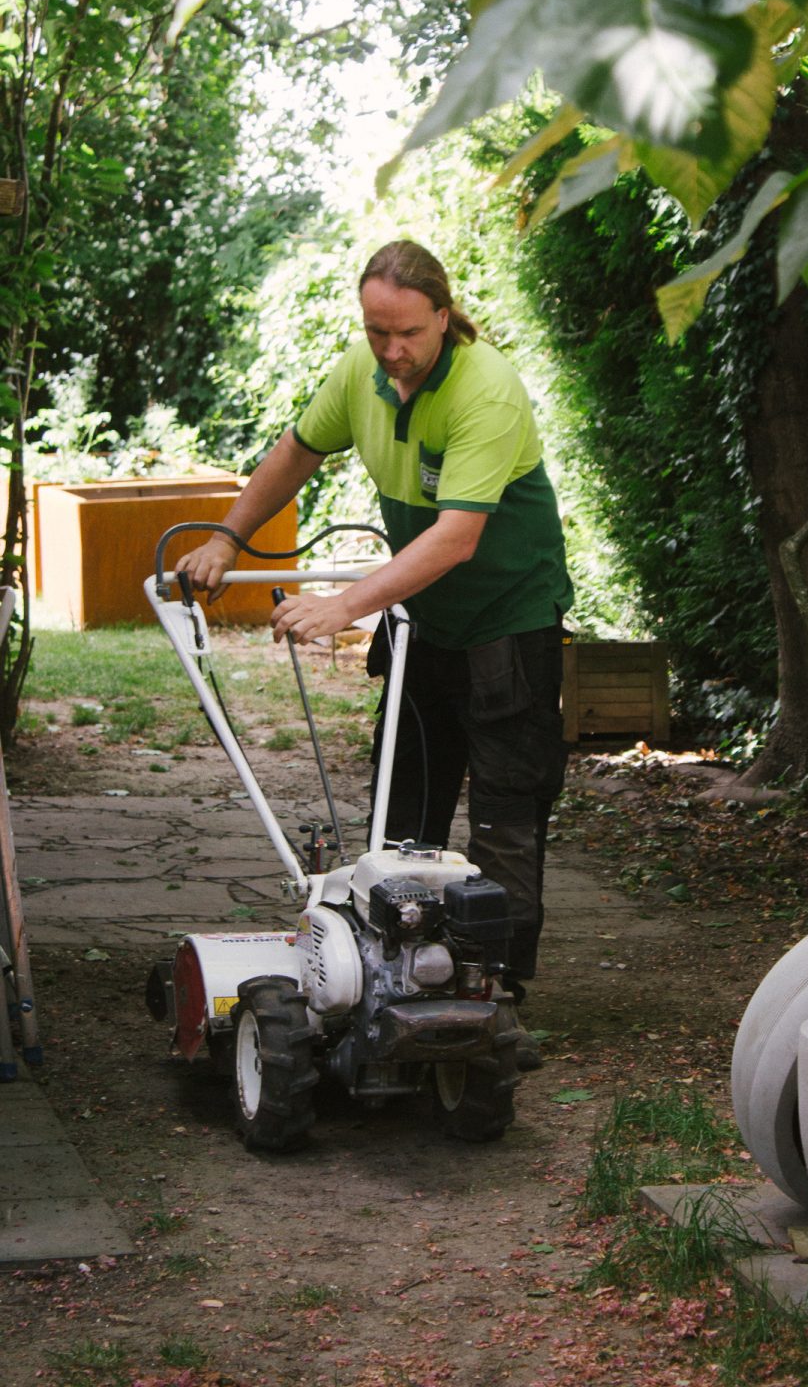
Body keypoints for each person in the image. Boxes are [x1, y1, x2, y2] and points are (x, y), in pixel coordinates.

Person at [177, 240, 573, 1048]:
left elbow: (457, 538)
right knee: (403, 812)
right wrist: (226, 537)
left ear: (443, 317)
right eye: (376, 332)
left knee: (507, 812)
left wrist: (346, 605)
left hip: (507, 621)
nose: (393, 352)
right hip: (424, 622)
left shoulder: (485, 390)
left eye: (409, 334)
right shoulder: (357, 376)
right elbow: (294, 453)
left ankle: (493, 989)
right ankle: (392, 970)